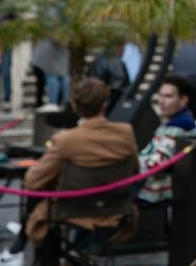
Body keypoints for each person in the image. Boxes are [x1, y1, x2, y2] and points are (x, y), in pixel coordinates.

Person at [21, 80, 138, 262]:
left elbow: (32, 181)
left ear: (75, 106)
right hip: (116, 208)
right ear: (105, 105)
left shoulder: (66, 139)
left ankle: (45, 258)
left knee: (37, 204)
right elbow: (135, 171)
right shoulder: (126, 133)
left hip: (71, 210)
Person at [138, 76, 196, 204]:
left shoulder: (179, 126)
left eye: (168, 96)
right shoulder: (176, 122)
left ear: (183, 100)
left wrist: (128, 165)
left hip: (159, 198)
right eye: (160, 95)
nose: (161, 101)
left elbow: (158, 163)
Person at [171, 42, 196, 118]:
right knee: (195, 112)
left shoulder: (177, 48)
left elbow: (171, 63)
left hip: (178, 81)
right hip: (195, 81)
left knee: (178, 110)